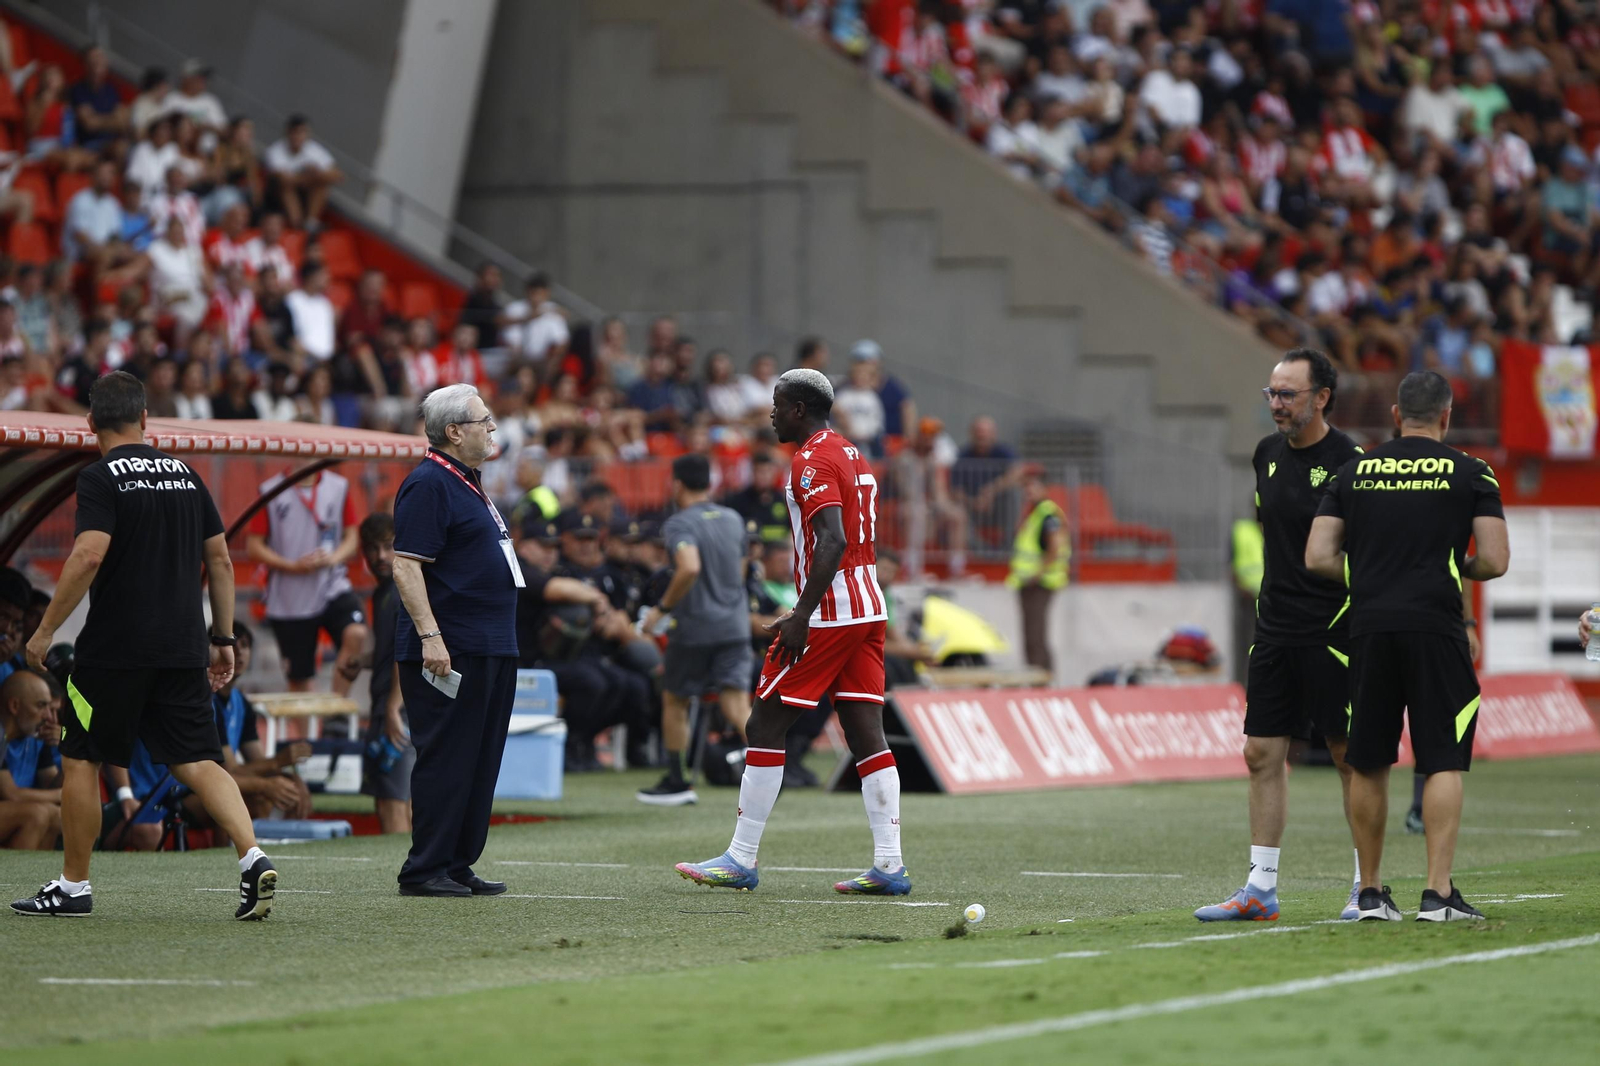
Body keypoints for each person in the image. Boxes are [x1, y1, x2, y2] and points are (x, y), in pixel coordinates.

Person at [13, 371, 277, 919]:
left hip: (114, 651)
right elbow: (221, 560)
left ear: (91, 422)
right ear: (145, 419)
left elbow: (88, 554)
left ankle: (73, 886)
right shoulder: (186, 475)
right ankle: (252, 856)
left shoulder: (99, 477)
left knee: (81, 757)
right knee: (197, 760)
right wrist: (222, 637)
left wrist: (44, 631)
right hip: (183, 646)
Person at [675, 369, 906, 896]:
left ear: (799, 409)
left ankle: (740, 857)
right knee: (866, 732)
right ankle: (890, 865)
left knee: (763, 724)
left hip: (831, 611)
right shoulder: (850, 452)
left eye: (778, 405)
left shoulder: (811, 459)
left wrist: (801, 613)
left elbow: (832, 539)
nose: (772, 414)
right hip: (868, 606)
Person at [1307, 371, 1509, 922]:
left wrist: (1372, 575)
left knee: (1368, 759)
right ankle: (1437, 894)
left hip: (1369, 627)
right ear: (1446, 416)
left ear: (1396, 416)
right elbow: (1494, 560)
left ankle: (1370, 894)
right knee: (1441, 757)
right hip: (1436, 626)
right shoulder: (1471, 471)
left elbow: (1318, 555)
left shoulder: (1354, 470)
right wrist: (1454, 569)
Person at [1194, 348, 1364, 924]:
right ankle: (1260, 889)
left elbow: (1363, 550)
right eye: (1271, 393)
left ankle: (1366, 885)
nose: (1276, 404)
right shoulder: (1265, 454)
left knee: (1347, 756)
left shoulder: (1351, 461)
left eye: (1288, 394)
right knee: (1260, 753)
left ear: (1322, 398)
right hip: (1274, 630)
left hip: (1335, 629)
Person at [390, 384, 520, 897]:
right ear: (453, 432)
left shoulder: (465, 481)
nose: (492, 427)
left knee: (480, 759)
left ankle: (457, 861)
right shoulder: (429, 483)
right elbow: (406, 566)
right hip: (451, 646)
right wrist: (431, 636)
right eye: (483, 420)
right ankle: (425, 868)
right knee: (447, 756)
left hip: (489, 642)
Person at [636, 455, 752, 807]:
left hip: (695, 628)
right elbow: (742, 568)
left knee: (675, 700)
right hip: (735, 625)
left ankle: (678, 781)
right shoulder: (733, 519)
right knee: (736, 704)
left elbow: (688, 567)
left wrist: (662, 610)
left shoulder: (679, 523)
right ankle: (771, 773)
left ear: (677, 484)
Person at [245, 464, 368, 698]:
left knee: (356, 633)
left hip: (331, 584)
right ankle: (309, 723)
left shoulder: (338, 486)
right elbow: (254, 546)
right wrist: (292, 565)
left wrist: (333, 558)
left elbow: (352, 536)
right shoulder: (271, 489)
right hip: (290, 597)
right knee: (300, 681)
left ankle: (336, 709)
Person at [359, 512, 415, 835]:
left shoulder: (399, 589)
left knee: (394, 802)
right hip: (391, 704)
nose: (379, 556)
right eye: (372, 548)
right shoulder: (385, 591)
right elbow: (392, 649)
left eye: (387, 546)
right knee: (392, 797)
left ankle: (404, 865)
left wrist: (393, 707)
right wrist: (364, 661)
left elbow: (407, 651)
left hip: (396, 708)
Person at [1006, 464, 1069, 677]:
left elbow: (1055, 547)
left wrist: (1037, 574)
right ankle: (1037, 677)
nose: (1028, 491)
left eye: (1033, 486)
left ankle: (1043, 679)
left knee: (1035, 636)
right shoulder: (1033, 513)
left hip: (1040, 583)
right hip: (1028, 583)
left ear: (1044, 488)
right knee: (1030, 636)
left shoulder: (1048, 514)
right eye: (1026, 487)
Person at [0, 669, 62, 850]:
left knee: (55, 815)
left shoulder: (6, 738)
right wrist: (63, 795)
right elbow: (11, 794)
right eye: (41, 706)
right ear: (14, 706)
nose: (48, 717)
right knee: (36, 814)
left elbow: (50, 784)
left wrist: (70, 751)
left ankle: (35, 869)